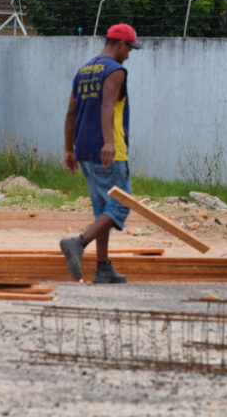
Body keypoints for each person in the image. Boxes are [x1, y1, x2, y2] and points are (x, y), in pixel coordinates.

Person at [59, 23, 142, 284]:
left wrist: (69, 148)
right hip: (108, 150)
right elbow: (107, 104)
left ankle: (103, 267)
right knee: (121, 203)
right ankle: (78, 243)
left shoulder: (84, 70)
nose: (130, 54)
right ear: (120, 44)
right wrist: (108, 143)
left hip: (84, 149)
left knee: (102, 210)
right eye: (129, 48)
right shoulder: (115, 71)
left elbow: (71, 112)